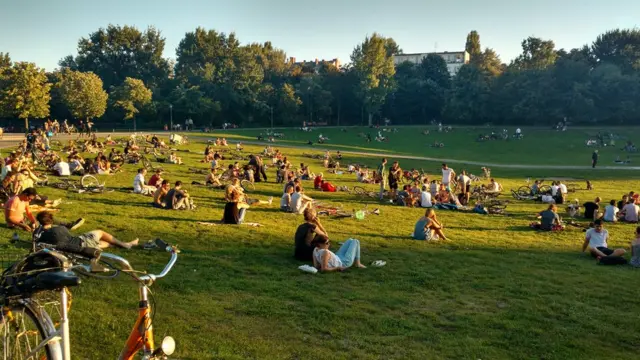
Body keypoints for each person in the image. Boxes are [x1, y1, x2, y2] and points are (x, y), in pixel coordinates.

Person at [36, 212, 138, 250]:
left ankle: (122, 244)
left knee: (101, 243)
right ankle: (126, 245)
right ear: (51, 220)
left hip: (72, 249)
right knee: (100, 232)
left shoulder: (37, 234)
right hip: (80, 244)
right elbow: (69, 237)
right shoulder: (59, 229)